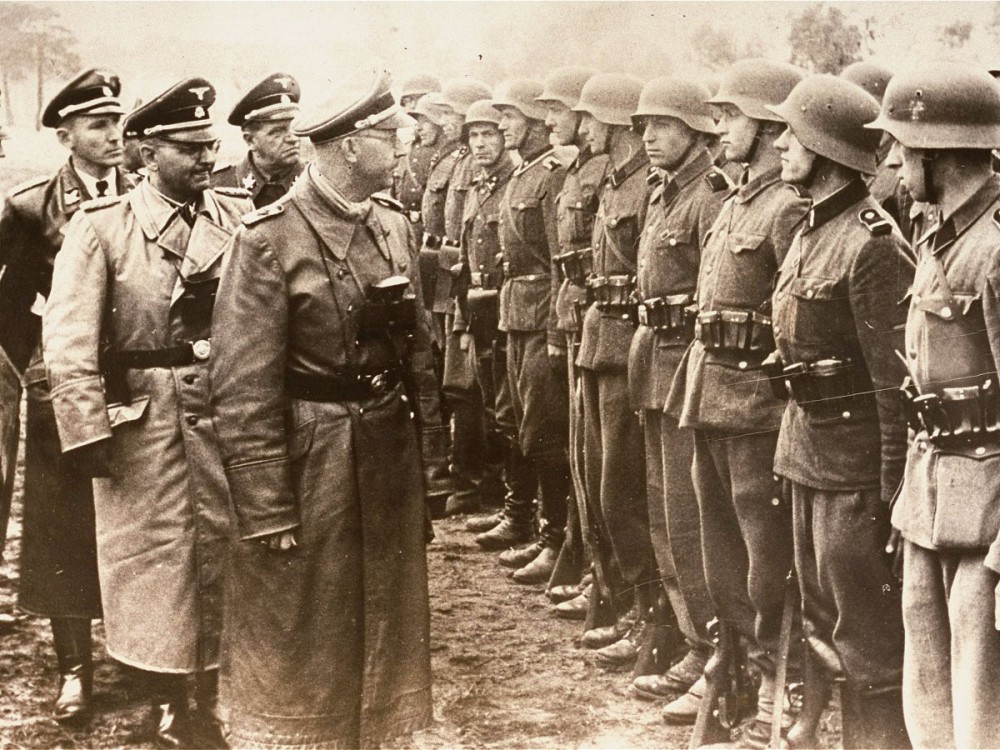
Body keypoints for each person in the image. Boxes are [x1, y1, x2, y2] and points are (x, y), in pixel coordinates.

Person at [209, 68, 435, 749]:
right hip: (314, 463)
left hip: (386, 453)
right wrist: (266, 505)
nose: (402, 144)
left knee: (386, 615)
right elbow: (242, 387)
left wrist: (430, 470)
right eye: (389, 135)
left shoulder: (394, 226)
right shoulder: (267, 240)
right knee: (306, 622)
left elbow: (418, 353)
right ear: (348, 148)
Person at [43, 77, 250, 746]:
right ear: (146, 153)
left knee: (227, 551)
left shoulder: (237, 218)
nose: (203, 159)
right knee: (155, 562)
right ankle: (166, 698)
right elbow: (69, 340)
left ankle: (215, 691)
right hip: (147, 420)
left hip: (224, 411)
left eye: (208, 146)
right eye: (187, 148)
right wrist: (86, 432)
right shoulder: (102, 228)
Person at [663, 59, 809, 740]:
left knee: (764, 566)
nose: (720, 129)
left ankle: (774, 688)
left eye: (733, 117)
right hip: (708, 401)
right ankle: (734, 676)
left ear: (774, 124)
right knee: (720, 558)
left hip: (756, 411)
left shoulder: (788, 208)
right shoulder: (735, 201)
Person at [768, 73, 912, 748]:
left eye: (790, 135)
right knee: (821, 619)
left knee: (867, 637)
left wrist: (889, 490)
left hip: (854, 472)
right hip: (805, 454)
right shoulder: (807, 231)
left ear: (824, 148)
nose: (779, 146)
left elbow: (892, 386)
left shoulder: (872, 245)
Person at [869, 61, 1000, 749]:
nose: (893, 161)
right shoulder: (937, 238)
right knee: (928, 693)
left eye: (903, 148)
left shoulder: (994, 249)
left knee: (981, 710)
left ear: (939, 152)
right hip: (927, 501)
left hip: (986, 518)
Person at [0, 68, 135, 723]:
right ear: (66, 135)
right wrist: (42, 372)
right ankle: (74, 669)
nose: (114, 136)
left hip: (135, 382)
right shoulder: (31, 208)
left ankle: (142, 655)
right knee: (62, 525)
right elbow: (9, 305)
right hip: (61, 384)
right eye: (97, 125)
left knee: (140, 516)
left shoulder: (144, 192)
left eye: (117, 122)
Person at [626, 76, 728, 702]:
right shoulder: (663, 192)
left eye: (661, 125)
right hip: (654, 365)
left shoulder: (709, 196)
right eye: (644, 126)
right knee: (665, 517)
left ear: (693, 130)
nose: (648, 136)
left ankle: (714, 648)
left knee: (692, 522)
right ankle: (688, 638)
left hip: (689, 371)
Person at [572, 72, 657, 673]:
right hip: (602, 341)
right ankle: (624, 598)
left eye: (590, 119)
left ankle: (647, 613)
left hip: (631, 345)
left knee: (625, 489)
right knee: (603, 482)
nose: (581, 129)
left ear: (616, 123)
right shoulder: (614, 183)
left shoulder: (647, 188)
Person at [474, 78, 570, 589]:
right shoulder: (523, 174)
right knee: (514, 418)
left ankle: (555, 538)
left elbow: (562, 262)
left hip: (541, 314)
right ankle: (526, 519)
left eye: (510, 117)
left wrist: (556, 327)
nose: (503, 125)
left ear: (532, 121)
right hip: (515, 311)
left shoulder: (550, 176)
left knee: (545, 429)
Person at [536, 65, 605, 616]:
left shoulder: (600, 173)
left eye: (561, 111)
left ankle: (596, 575)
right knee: (583, 456)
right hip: (580, 321)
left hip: (601, 325)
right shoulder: (577, 171)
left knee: (604, 468)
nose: (551, 121)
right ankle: (581, 562)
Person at [212, 72, 305, 208]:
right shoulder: (217, 187)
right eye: (278, 131)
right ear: (250, 141)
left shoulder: (320, 183)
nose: (293, 138)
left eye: (294, 127)